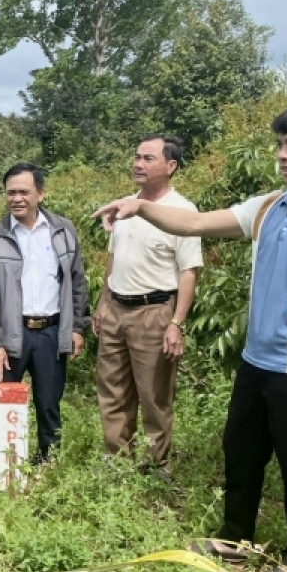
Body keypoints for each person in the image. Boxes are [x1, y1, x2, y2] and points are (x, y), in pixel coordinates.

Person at [92, 100, 287, 572]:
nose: (282, 155)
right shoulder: (270, 205)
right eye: (279, 145)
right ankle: (234, 540)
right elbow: (196, 223)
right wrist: (139, 207)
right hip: (256, 361)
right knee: (240, 453)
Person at [0, 163, 90, 478]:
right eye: (11, 192)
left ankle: (49, 459)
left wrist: (78, 327)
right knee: (0, 398)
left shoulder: (62, 230)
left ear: (40, 193)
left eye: (24, 191)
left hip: (51, 331)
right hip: (10, 334)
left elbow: (77, 282)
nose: (17, 198)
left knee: (49, 400)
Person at [93, 134, 202, 473]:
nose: (138, 163)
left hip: (154, 312)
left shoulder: (183, 212)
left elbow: (189, 273)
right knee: (112, 391)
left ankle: (158, 465)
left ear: (171, 166)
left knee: (154, 396)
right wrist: (102, 303)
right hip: (115, 308)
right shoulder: (125, 205)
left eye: (148, 158)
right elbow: (114, 258)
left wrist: (176, 323)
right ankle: (117, 462)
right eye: (137, 157)